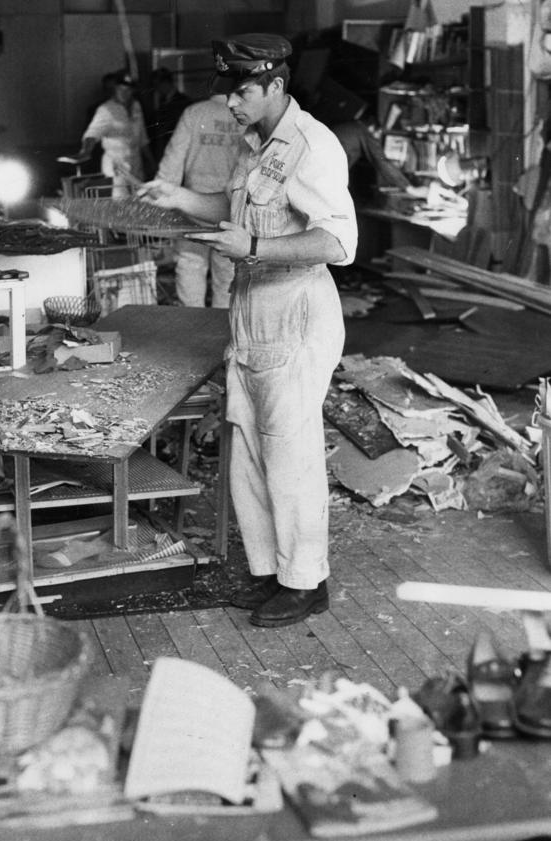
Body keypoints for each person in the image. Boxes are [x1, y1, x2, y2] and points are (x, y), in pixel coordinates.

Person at [138, 33, 357, 628]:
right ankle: (271, 574)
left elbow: (340, 241)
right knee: (251, 455)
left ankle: (307, 583)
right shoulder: (255, 143)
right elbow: (234, 209)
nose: (230, 104)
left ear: (274, 87)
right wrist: (179, 196)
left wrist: (256, 246)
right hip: (253, 315)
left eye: (240, 93)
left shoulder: (312, 145)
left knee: (292, 456)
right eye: (228, 93)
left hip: (294, 313)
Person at [155, 94, 245, 308]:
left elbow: (173, 159)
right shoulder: (245, 113)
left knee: (190, 264)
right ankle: (223, 325)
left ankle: (191, 322)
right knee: (227, 271)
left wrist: (163, 191)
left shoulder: (194, 112)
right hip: (232, 206)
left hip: (193, 205)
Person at [79, 69, 154, 197]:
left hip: (136, 169)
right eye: (121, 89)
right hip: (116, 170)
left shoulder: (136, 106)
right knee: (121, 205)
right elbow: (92, 134)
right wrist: (86, 150)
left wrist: (152, 162)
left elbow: (142, 138)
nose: (125, 93)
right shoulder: (106, 110)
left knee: (140, 205)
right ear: (115, 88)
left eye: (128, 90)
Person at [148, 67, 193, 163]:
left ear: (165, 83)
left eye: (157, 85)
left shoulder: (183, 102)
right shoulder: (160, 101)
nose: (157, 89)